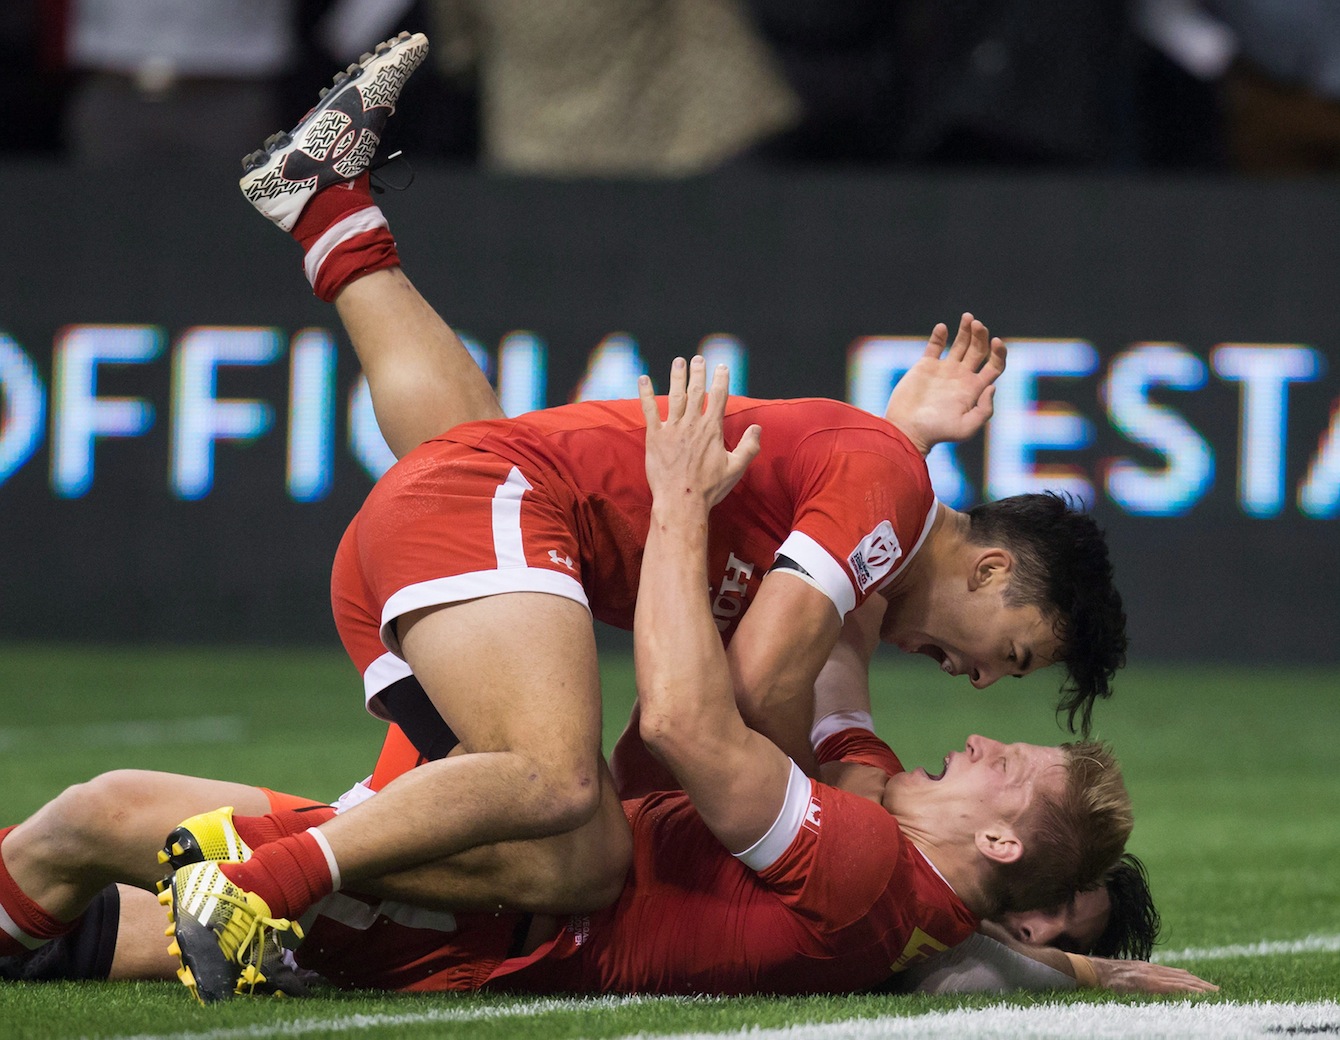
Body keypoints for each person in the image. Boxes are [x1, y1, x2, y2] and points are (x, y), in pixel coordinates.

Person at [155, 30, 1128, 1000]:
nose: (979, 681)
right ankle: (254, 873)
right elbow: (754, 684)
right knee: (553, 787)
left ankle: (332, 213)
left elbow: (829, 644)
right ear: (993, 570)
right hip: (498, 511)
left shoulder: (875, 528)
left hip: (477, 509)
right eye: (1012, 654)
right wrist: (804, 807)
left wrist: (904, 438)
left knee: (563, 837)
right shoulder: (888, 500)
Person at [5, 361, 1197, 1001]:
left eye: (1008, 761)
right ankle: (338, 222)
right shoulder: (881, 827)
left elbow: (688, 713)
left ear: (998, 847)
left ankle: (252, 880)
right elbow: (840, 656)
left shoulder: (868, 864)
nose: (982, 722)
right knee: (557, 796)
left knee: (557, 796)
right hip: (508, 863)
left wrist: (681, 505)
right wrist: (892, 463)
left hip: (502, 902)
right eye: (1014, 675)